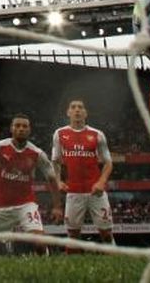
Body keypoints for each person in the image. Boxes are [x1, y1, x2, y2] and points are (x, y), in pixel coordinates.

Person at [0, 114, 63, 255]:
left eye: (24, 126)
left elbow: (52, 179)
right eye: (17, 126)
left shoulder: (37, 153)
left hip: (26, 204)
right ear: (11, 128)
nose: (21, 129)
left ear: (29, 130)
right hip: (1, 205)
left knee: (39, 243)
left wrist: (57, 207)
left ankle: (46, 265)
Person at [51, 99, 114, 251]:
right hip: (73, 192)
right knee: (73, 236)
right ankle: (70, 270)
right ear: (68, 112)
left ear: (85, 113)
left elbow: (108, 163)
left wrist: (101, 182)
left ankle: (117, 265)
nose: (77, 110)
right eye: (73, 107)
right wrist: (58, 181)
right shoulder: (60, 134)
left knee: (106, 234)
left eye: (80, 107)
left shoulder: (97, 134)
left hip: (96, 193)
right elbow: (55, 161)